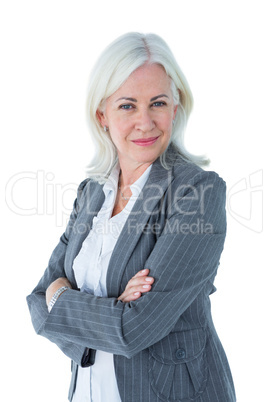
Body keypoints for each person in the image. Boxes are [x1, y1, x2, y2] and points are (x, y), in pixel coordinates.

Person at [27, 32, 236, 401]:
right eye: (127, 106)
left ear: (175, 108)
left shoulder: (197, 193)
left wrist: (64, 299)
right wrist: (107, 307)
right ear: (102, 115)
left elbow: (134, 328)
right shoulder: (91, 193)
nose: (145, 122)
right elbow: (37, 301)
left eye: (157, 103)